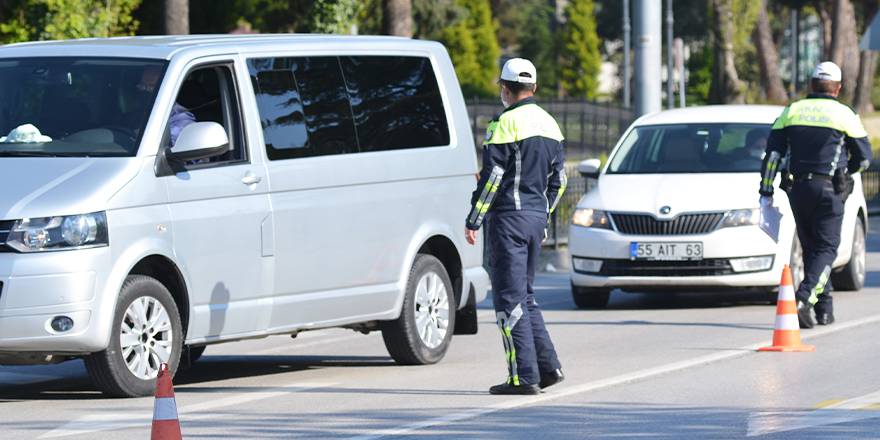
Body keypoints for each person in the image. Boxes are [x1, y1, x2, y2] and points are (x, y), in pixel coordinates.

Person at [465, 58, 566, 395]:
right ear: (534, 88)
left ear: (504, 89)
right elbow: (560, 181)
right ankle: (547, 368)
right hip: (536, 220)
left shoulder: (503, 124)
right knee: (527, 298)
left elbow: (493, 177)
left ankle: (523, 377)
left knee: (509, 301)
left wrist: (474, 218)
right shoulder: (551, 125)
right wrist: (544, 213)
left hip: (507, 219)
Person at [759, 61, 872, 328]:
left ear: (811, 85)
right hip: (829, 189)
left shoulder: (792, 110)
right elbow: (865, 158)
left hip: (797, 190)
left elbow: (773, 155)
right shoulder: (844, 114)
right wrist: (847, 172)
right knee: (827, 248)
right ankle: (804, 298)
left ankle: (824, 311)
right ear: (839, 88)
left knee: (812, 248)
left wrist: (766, 189)